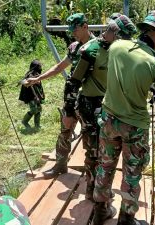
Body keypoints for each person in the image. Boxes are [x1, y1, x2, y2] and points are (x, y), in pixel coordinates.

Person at [92, 10, 155, 225]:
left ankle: (100, 211)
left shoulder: (116, 47)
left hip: (108, 119)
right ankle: (126, 219)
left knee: (105, 165)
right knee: (131, 173)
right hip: (134, 126)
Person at [69, 14, 137, 201]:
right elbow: (74, 81)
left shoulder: (125, 52)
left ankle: (102, 190)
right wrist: (71, 108)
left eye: (110, 30)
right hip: (90, 106)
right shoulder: (91, 50)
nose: (105, 33)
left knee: (108, 152)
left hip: (113, 107)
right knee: (92, 150)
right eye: (108, 30)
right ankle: (91, 188)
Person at [25, 13, 94, 179]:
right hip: (72, 98)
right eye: (71, 30)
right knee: (64, 130)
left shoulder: (99, 47)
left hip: (90, 99)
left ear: (85, 26)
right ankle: (60, 165)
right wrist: (37, 79)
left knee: (90, 137)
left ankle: (91, 173)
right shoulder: (74, 47)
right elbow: (59, 67)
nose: (73, 33)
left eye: (75, 30)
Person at [19, 59, 45, 131]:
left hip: (37, 95)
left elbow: (38, 83)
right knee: (34, 110)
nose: (40, 68)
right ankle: (24, 121)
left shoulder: (37, 74)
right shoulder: (29, 75)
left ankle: (37, 126)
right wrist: (23, 82)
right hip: (31, 96)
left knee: (39, 109)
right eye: (39, 66)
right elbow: (26, 84)